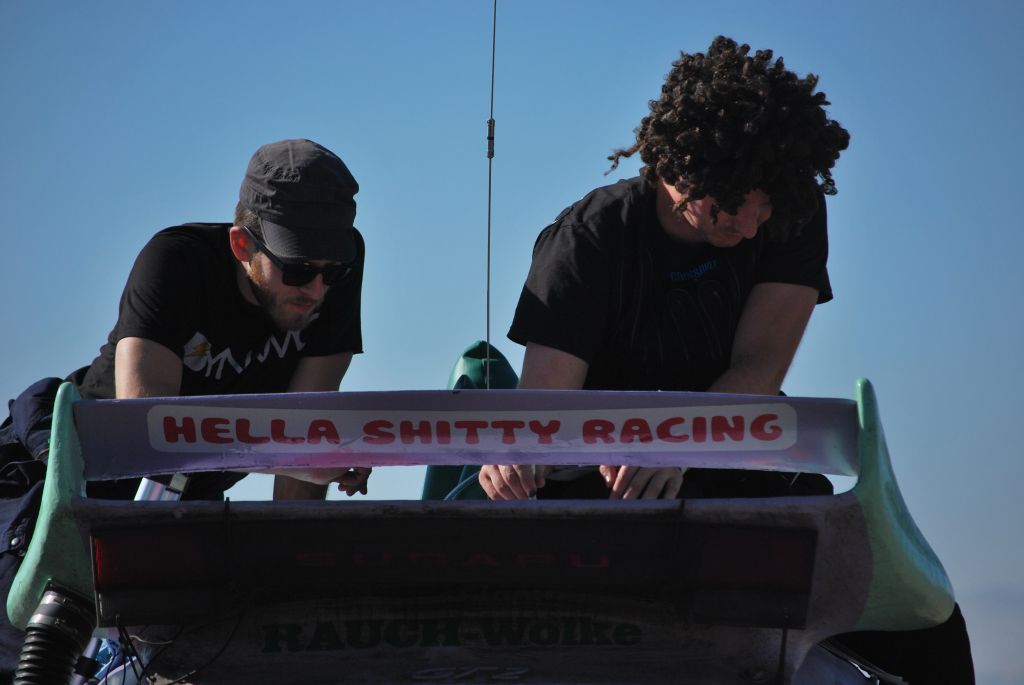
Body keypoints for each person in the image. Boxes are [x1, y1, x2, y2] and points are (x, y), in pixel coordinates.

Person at [477, 37, 974, 683]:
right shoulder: (587, 240)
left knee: (931, 628)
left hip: (738, 449)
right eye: (736, 206)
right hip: (605, 480)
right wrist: (518, 458)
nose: (751, 227)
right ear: (681, 167)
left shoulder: (790, 211)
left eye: (767, 209)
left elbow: (762, 364)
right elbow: (546, 413)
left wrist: (675, 442)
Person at [0, 138, 370, 675]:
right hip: (67, 487)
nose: (316, 289)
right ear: (241, 245)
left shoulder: (337, 269)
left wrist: (293, 602)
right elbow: (149, 435)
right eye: (296, 269)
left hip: (182, 510)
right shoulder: (175, 260)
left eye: (330, 271)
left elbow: (302, 432)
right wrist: (291, 454)